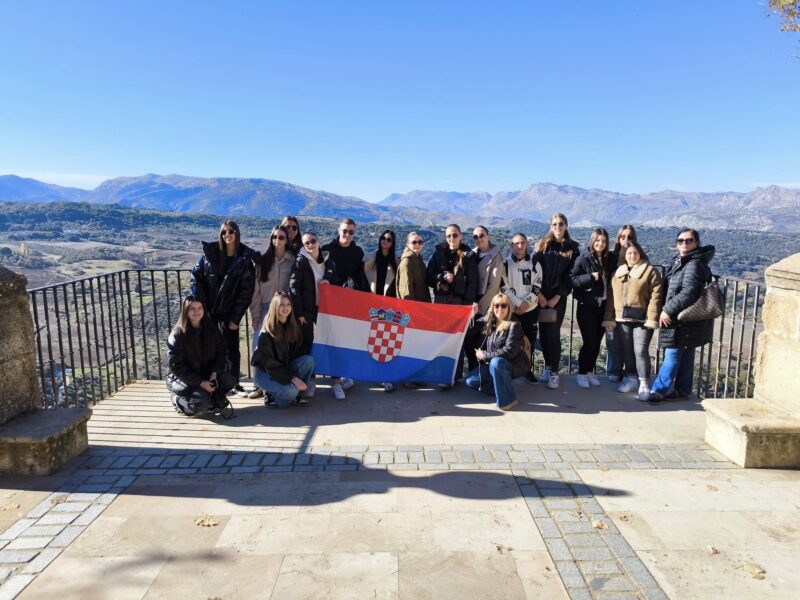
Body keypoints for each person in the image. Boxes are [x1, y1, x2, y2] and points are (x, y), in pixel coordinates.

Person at [648, 229, 715, 403]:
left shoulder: (693, 264)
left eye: (688, 240)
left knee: (673, 353)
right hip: (690, 319)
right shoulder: (686, 261)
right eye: (680, 240)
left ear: (696, 243)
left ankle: (658, 391)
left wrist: (667, 309)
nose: (684, 243)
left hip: (681, 319)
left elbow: (689, 292)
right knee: (686, 353)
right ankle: (683, 390)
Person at [190, 220, 256, 396]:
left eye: (231, 231)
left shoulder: (244, 260)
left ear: (237, 234)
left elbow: (246, 292)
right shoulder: (209, 254)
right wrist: (201, 306)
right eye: (224, 232)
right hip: (209, 311)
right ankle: (214, 383)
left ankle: (233, 383)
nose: (228, 235)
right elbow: (196, 277)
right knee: (210, 349)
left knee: (231, 349)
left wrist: (236, 317)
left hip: (229, 313)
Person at [603, 241, 662, 401]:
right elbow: (610, 297)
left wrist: (652, 318)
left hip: (642, 319)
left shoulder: (650, 271)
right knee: (627, 350)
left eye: (635, 252)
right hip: (622, 318)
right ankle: (631, 378)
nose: (632, 255)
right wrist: (609, 318)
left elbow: (656, 297)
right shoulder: (617, 274)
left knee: (640, 351)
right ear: (624, 255)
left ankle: (644, 383)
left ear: (640, 253)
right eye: (629, 253)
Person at [426, 224, 479, 387]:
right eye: (449, 236)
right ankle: (442, 375)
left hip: (459, 303)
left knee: (458, 341)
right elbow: (429, 277)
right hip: (441, 302)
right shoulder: (438, 253)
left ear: (461, 236)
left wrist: (467, 306)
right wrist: (442, 276)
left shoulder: (469, 255)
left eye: (455, 235)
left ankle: (454, 377)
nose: (451, 239)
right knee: (441, 338)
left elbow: (473, 283)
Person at [321, 218, 367, 399]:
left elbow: (360, 275)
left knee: (348, 341)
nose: (347, 235)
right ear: (338, 230)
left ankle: (346, 376)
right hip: (330, 304)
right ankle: (335, 382)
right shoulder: (327, 250)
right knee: (333, 341)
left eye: (351, 232)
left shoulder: (357, 252)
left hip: (350, 303)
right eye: (344, 231)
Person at [247, 225, 295, 399]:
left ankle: (279, 382)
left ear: (287, 240)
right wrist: (255, 314)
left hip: (285, 310)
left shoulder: (292, 260)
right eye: (274, 237)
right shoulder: (263, 261)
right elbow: (256, 291)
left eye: (281, 237)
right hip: (266, 308)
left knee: (282, 348)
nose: (277, 240)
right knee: (259, 346)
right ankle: (259, 385)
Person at [166, 296, 234, 417]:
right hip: (182, 379)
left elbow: (222, 352)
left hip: (205, 373)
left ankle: (211, 399)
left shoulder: (211, 329)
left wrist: (214, 372)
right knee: (202, 403)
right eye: (192, 308)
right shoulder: (177, 335)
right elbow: (176, 367)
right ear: (185, 310)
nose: (197, 311)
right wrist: (201, 383)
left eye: (199, 307)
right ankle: (178, 400)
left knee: (229, 380)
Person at [534, 213, 579, 389]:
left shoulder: (573, 248)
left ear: (566, 226)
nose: (558, 227)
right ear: (550, 226)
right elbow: (534, 269)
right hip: (540, 297)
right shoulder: (543, 245)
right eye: (555, 224)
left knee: (553, 334)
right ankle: (546, 366)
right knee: (543, 334)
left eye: (561, 224)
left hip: (558, 298)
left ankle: (554, 372)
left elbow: (571, 276)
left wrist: (557, 296)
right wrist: (540, 296)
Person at [289, 230, 336, 396]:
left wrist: (328, 279)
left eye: (313, 241)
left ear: (318, 240)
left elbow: (334, 277)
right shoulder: (300, 261)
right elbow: (294, 288)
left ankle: (336, 380)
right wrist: (299, 313)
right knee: (308, 344)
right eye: (306, 242)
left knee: (330, 341)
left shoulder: (328, 260)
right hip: (307, 311)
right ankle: (310, 381)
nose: (310, 245)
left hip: (324, 309)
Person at [251, 292, 315, 408]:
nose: (286, 308)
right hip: (265, 373)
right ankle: (271, 393)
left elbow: (299, 354)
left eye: (288, 304)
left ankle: (296, 395)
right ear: (275, 307)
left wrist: (295, 377)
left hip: (283, 368)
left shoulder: (294, 327)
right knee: (291, 391)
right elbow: (270, 366)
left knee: (308, 360)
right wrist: (293, 378)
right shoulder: (266, 333)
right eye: (281, 305)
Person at [464, 293, 527, 411]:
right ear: (492, 307)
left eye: (503, 305)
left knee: (496, 362)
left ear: (509, 307)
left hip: (511, 363)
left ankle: (508, 400)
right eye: (496, 305)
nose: (500, 309)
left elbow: (509, 351)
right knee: (471, 381)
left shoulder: (514, 325)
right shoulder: (488, 320)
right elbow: (469, 332)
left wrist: (485, 356)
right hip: (491, 365)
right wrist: (473, 314)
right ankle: (502, 387)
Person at [570, 228, 610, 389]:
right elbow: (572, 279)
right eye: (598, 240)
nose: (601, 244)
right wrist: (590, 277)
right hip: (587, 306)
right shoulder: (584, 258)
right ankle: (581, 373)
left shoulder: (608, 259)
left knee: (597, 343)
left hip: (603, 306)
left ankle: (589, 372)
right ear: (592, 241)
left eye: (604, 241)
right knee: (589, 341)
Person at [503, 233, 542, 385]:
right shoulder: (505, 264)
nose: (520, 246)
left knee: (529, 343)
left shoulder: (535, 264)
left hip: (530, 310)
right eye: (516, 243)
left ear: (527, 244)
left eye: (523, 243)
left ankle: (527, 371)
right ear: (511, 245)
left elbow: (537, 286)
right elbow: (503, 287)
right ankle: (508, 372)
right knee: (510, 344)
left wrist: (526, 303)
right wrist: (518, 304)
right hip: (512, 311)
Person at [606, 225, 643, 382]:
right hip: (612, 306)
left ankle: (630, 374)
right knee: (613, 341)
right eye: (623, 237)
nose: (626, 240)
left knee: (630, 345)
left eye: (630, 237)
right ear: (618, 239)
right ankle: (614, 371)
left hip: (633, 310)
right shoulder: (610, 259)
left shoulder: (641, 260)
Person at [363, 229, 399, 392]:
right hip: (371, 305)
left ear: (393, 243)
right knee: (369, 340)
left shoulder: (396, 261)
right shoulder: (370, 258)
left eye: (389, 239)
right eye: (383, 238)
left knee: (384, 342)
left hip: (388, 307)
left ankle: (383, 376)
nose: (385, 241)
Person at [467, 226, 506, 372]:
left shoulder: (496, 256)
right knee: (469, 344)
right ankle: (472, 375)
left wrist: (480, 309)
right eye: (475, 237)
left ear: (488, 236)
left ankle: (480, 377)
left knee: (480, 345)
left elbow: (493, 286)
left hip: (483, 309)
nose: (479, 239)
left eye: (481, 235)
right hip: (471, 306)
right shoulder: (472, 254)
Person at [396, 231, 431, 303]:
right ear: (408, 244)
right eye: (414, 242)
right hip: (413, 308)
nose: (417, 244)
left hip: (422, 305)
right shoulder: (407, 262)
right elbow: (406, 290)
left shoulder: (419, 260)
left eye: (420, 242)